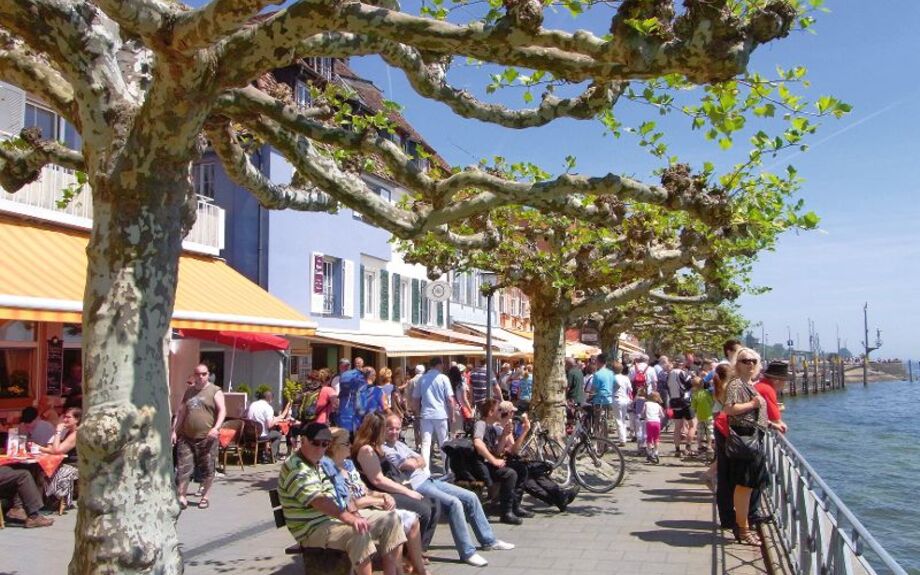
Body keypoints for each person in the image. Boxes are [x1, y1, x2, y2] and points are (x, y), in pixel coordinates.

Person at [381, 414, 514, 567]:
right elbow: (408, 465)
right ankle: (468, 553)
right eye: (391, 428)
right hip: (416, 485)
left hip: (429, 480)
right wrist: (415, 462)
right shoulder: (386, 449)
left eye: (397, 428)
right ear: (384, 429)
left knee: (471, 496)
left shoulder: (400, 445)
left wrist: (415, 462)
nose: (394, 432)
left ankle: (489, 540)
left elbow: (422, 460)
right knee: (454, 503)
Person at [278, 422, 406, 575]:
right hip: (311, 528)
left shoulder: (320, 462)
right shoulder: (296, 467)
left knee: (391, 520)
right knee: (359, 533)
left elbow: (336, 493)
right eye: (315, 443)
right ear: (303, 440)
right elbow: (319, 501)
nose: (320, 449)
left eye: (324, 444)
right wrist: (350, 519)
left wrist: (354, 512)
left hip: (330, 519)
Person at [324, 427, 431, 575]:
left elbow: (365, 491)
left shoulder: (348, 465)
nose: (350, 445)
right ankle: (401, 570)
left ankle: (416, 570)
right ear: (333, 446)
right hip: (353, 514)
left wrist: (382, 496)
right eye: (345, 443)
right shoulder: (330, 469)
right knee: (395, 521)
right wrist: (377, 501)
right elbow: (350, 502)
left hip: (366, 507)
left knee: (411, 518)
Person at [351, 414, 441, 553]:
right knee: (424, 509)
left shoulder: (377, 447)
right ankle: (410, 553)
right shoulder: (366, 450)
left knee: (435, 503)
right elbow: (378, 480)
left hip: (392, 486)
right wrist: (407, 491)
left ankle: (420, 549)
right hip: (381, 493)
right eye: (385, 429)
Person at [722, 348, 769, 546]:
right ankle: (743, 529)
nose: (749, 364)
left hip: (753, 437)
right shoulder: (736, 384)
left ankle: (745, 525)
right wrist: (752, 404)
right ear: (737, 364)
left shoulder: (750, 384)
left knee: (749, 486)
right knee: (744, 486)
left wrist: (770, 422)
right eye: (744, 361)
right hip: (744, 439)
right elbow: (729, 409)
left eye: (753, 361)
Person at [172, 363, 226, 510]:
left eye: (204, 374)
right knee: (183, 468)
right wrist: (175, 430)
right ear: (194, 375)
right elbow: (181, 412)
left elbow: (222, 411)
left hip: (207, 438)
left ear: (208, 375)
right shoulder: (189, 392)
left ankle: (205, 497)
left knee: (208, 469)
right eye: (198, 374)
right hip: (187, 437)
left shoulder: (215, 391)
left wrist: (216, 428)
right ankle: (182, 496)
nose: (201, 377)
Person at [472, 398, 533, 525]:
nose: (501, 412)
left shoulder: (492, 428)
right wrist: (494, 460)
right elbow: (478, 443)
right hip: (480, 466)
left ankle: (514, 507)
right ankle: (506, 512)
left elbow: (498, 451)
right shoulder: (481, 424)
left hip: (488, 463)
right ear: (490, 412)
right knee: (510, 474)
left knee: (520, 468)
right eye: (498, 410)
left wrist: (504, 435)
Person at [411, 357, 454, 473]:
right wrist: (452, 415)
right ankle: (447, 469)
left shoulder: (422, 379)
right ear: (439, 365)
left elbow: (415, 399)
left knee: (425, 443)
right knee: (443, 442)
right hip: (441, 414)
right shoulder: (443, 378)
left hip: (426, 414)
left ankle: (425, 470)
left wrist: (417, 413)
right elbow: (450, 399)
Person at [39, 406, 81, 509]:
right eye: (64, 417)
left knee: (44, 472)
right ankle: (43, 501)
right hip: (64, 462)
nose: (65, 420)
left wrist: (58, 431)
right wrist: (40, 448)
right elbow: (54, 448)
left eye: (68, 417)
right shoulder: (69, 432)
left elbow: (57, 450)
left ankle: (52, 500)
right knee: (40, 470)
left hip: (74, 466)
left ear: (77, 420)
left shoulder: (76, 434)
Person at [247, 390, 284, 462]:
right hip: (261, 435)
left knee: (266, 431)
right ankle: (272, 457)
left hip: (249, 434)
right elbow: (269, 425)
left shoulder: (253, 404)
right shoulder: (268, 408)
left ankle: (260, 455)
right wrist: (277, 419)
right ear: (270, 399)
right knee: (278, 435)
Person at [667, 359, 693, 457]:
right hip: (684, 401)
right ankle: (688, 447)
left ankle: (677, 449)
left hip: (674, 401)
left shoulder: (669, 374)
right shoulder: (683, 373)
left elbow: (667, 386)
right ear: (682, 364)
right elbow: (690, 384)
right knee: (692, 425)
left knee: (677, 427)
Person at [587, 354, 615, 438]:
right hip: (609, 399)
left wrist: (589, 397)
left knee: (597, 421)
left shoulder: (597, 374)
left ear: (598, 362)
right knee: (607, 421)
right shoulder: (611, 373)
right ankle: (606, 439)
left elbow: (593, 389)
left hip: (599, 400)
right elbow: (616, 385)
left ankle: (598, 439)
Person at [338, 357, 367, 435]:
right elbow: (360, 404)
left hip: (344, 414)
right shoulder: (360, 376)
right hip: (356, 416)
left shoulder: (344, 375)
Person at [690, 376, 715, 453]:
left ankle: (700, 446)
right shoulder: (707, 393)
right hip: (709, 415)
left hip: (700, 416)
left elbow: (693, 406)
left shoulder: (694, 394)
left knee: (700, 432)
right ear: (703, 384)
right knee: (709, 431)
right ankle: (709, 446)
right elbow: (712, 402)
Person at [611, 361, 631, 447]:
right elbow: (630, 389)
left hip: (616, 398)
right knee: (623, 419)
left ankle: (622, 439)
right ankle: (624, 436)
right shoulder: (625, 378)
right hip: (625, 399)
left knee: (618, 419)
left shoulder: (612, 378)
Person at [643, 392, 664, 463]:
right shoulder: (658, 405)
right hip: (657, 422)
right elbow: (662, 415)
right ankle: (656, 452)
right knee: (656, 438)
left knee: (649, 438)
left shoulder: (646, 404)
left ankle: (649, 453)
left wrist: (642, 417)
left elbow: (643, 412)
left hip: (649, 422)